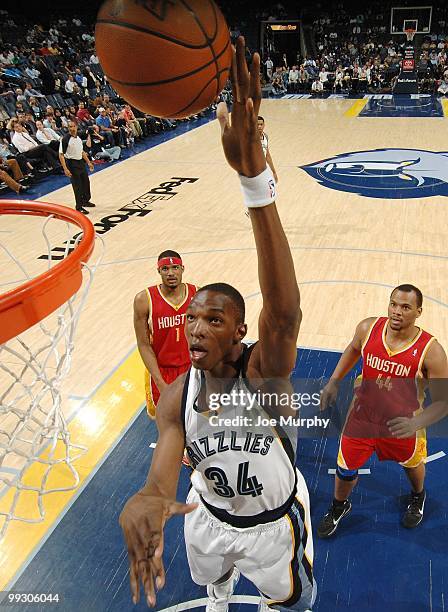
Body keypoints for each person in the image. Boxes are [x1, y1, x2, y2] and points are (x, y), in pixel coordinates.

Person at [120, 37, 316, 612]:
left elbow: (284, 312)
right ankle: (220, 591)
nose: (196, 328)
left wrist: (256, 183)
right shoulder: (178, 396)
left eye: (214, 319)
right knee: (211, 579)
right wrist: (148, 499)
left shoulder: (265, 376)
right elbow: (162, 478)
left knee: (295, 602)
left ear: (239, 331)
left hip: (272, 524)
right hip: (208, 518)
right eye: (191, 319)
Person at [317, 285, 448, 538]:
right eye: (393, 304)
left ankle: (418, 496)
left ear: (418, 312)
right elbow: (354, 348)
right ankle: (339, 506)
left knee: (412, 464)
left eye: (405, 307)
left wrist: (416, 423)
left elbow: (443, 402)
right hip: (362, 417)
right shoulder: (368, 328)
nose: (397, 312)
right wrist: (334, 381)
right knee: (345, 468)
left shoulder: (431, 351)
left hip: (402, 424)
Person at [133, 251, 197, 419]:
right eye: (165, 269)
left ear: (182, 269)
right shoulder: (144, 299)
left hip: (190, 367)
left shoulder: (196, 293)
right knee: (165, 420)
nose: (170, 273)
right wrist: (160, 382)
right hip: (162, 370)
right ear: (158, 271)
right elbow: (143, 344)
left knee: (193, 416)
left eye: (175, 267)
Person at [59, 120, 94, 214]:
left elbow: (82, 152)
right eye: (70, 127)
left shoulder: (78, 138)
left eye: (73, 126)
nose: (72, 128)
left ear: (76, 127)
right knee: (77, 186)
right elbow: (61, 154)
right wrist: (65, 168)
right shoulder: (65, 139)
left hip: (80, 162)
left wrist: (88, 162)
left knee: (86, 182)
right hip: (72, 164)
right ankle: (79, 206)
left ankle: (85, 201)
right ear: (68, 128)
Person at [257, 116, 278, 183]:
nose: (259, 126)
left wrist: (274, 172)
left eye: (261, 124)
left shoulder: (265, 136)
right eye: (257, 124)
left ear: (264, 125)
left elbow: (267, 155)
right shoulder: (251, 138)